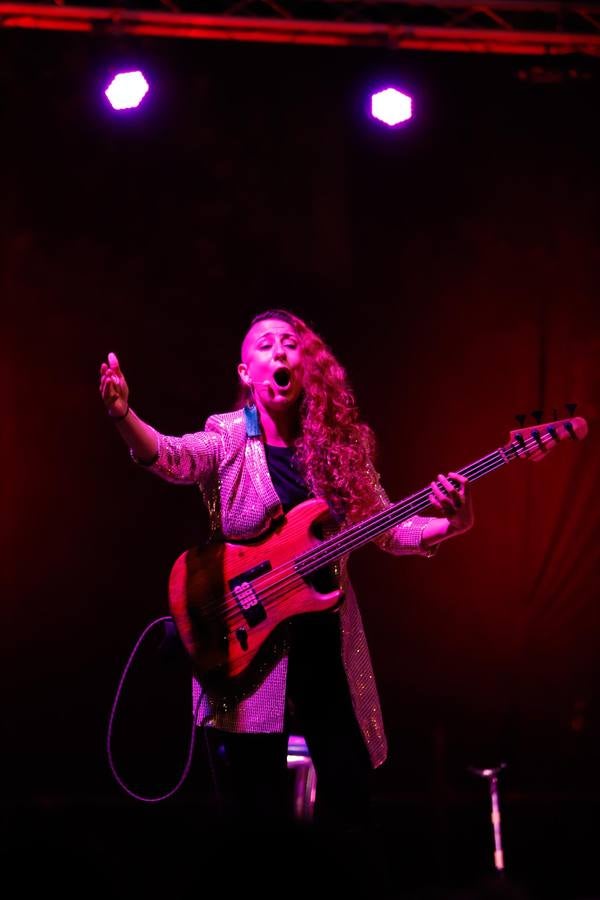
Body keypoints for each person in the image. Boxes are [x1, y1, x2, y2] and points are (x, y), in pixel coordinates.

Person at [99, 309, 474, 839]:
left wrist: (452, 524)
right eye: (266, 344)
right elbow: (172, 457)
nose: (280, 351)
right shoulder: (227, 436)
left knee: (349, 796)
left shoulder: (342, 451)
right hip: (248, 648)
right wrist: (123, 416)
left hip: (326, 640)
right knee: (256, 815)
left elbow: (388, 529)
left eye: (291, 344)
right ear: (246, 372)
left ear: (305, 366)